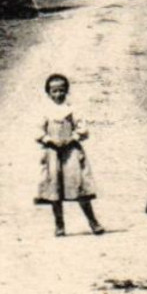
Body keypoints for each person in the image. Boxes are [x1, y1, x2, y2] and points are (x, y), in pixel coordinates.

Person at [35, 73, 104, 237]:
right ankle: (59, 224)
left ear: (67, 91)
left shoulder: (72, 109)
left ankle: (93, 221)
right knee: (54, 187)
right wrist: (48, 139)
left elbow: (82, 130)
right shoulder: (44, 111)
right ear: (48, 93)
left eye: (62, 90)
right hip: (52, 152)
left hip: (71, 151)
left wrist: (71, 138)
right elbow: (37, 131)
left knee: (78, 184)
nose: (58, 94)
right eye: (54, 91)